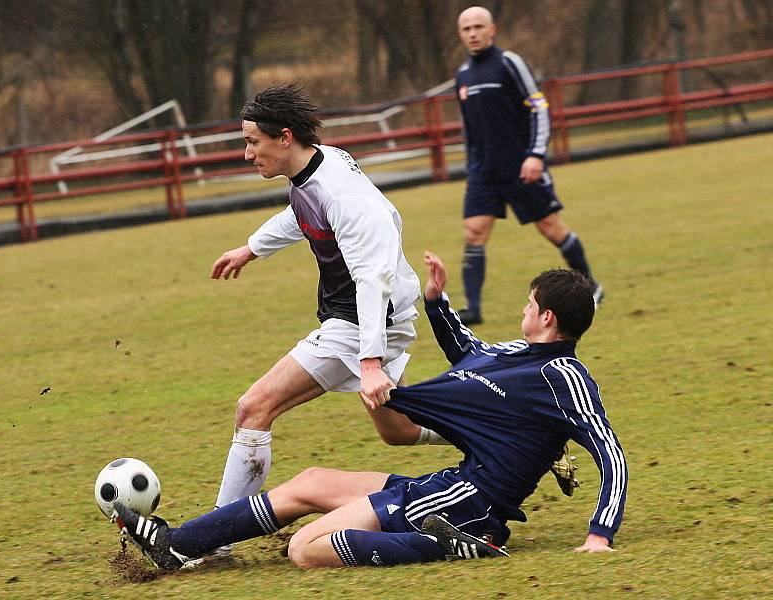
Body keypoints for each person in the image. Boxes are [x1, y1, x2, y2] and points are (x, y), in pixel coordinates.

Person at [113, 252, 627, 571]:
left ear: (547, 316)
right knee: (310, 480)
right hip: (447, 487)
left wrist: (599, 535)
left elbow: (611, 454)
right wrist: (436, 301)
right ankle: (177, 546)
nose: (522, 310)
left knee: (307, 550)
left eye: (528, 304)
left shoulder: (565, 378)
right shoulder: (516, 352)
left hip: (469, 507)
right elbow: (469, 354)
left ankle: (456, 546)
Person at [208, 84, 449, 521]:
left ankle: (215, 535)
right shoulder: (319, 166)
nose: (247, 154)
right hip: (367, 316)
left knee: (254, 407)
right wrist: (252, 248)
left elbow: (372, 279)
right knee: (399, 430)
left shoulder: (343, 195)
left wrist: (370, 361)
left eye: (251, 142)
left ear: (284, 137)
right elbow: (304, 214)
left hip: (362, 321)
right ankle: (509, 432)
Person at [454, 6, 604, 325]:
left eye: (479, 27)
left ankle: (591, 288)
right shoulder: (463, 75)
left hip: (521, 165)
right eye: (467, 29)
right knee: (473, 232)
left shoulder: (509, 63)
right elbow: (469, 127)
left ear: (492, 30)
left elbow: (539, 106)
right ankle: (474, 309)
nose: (473, 33)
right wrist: (472, 165)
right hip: (484, 171)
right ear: (460, 34)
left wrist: (536, 154)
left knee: (551, 228)